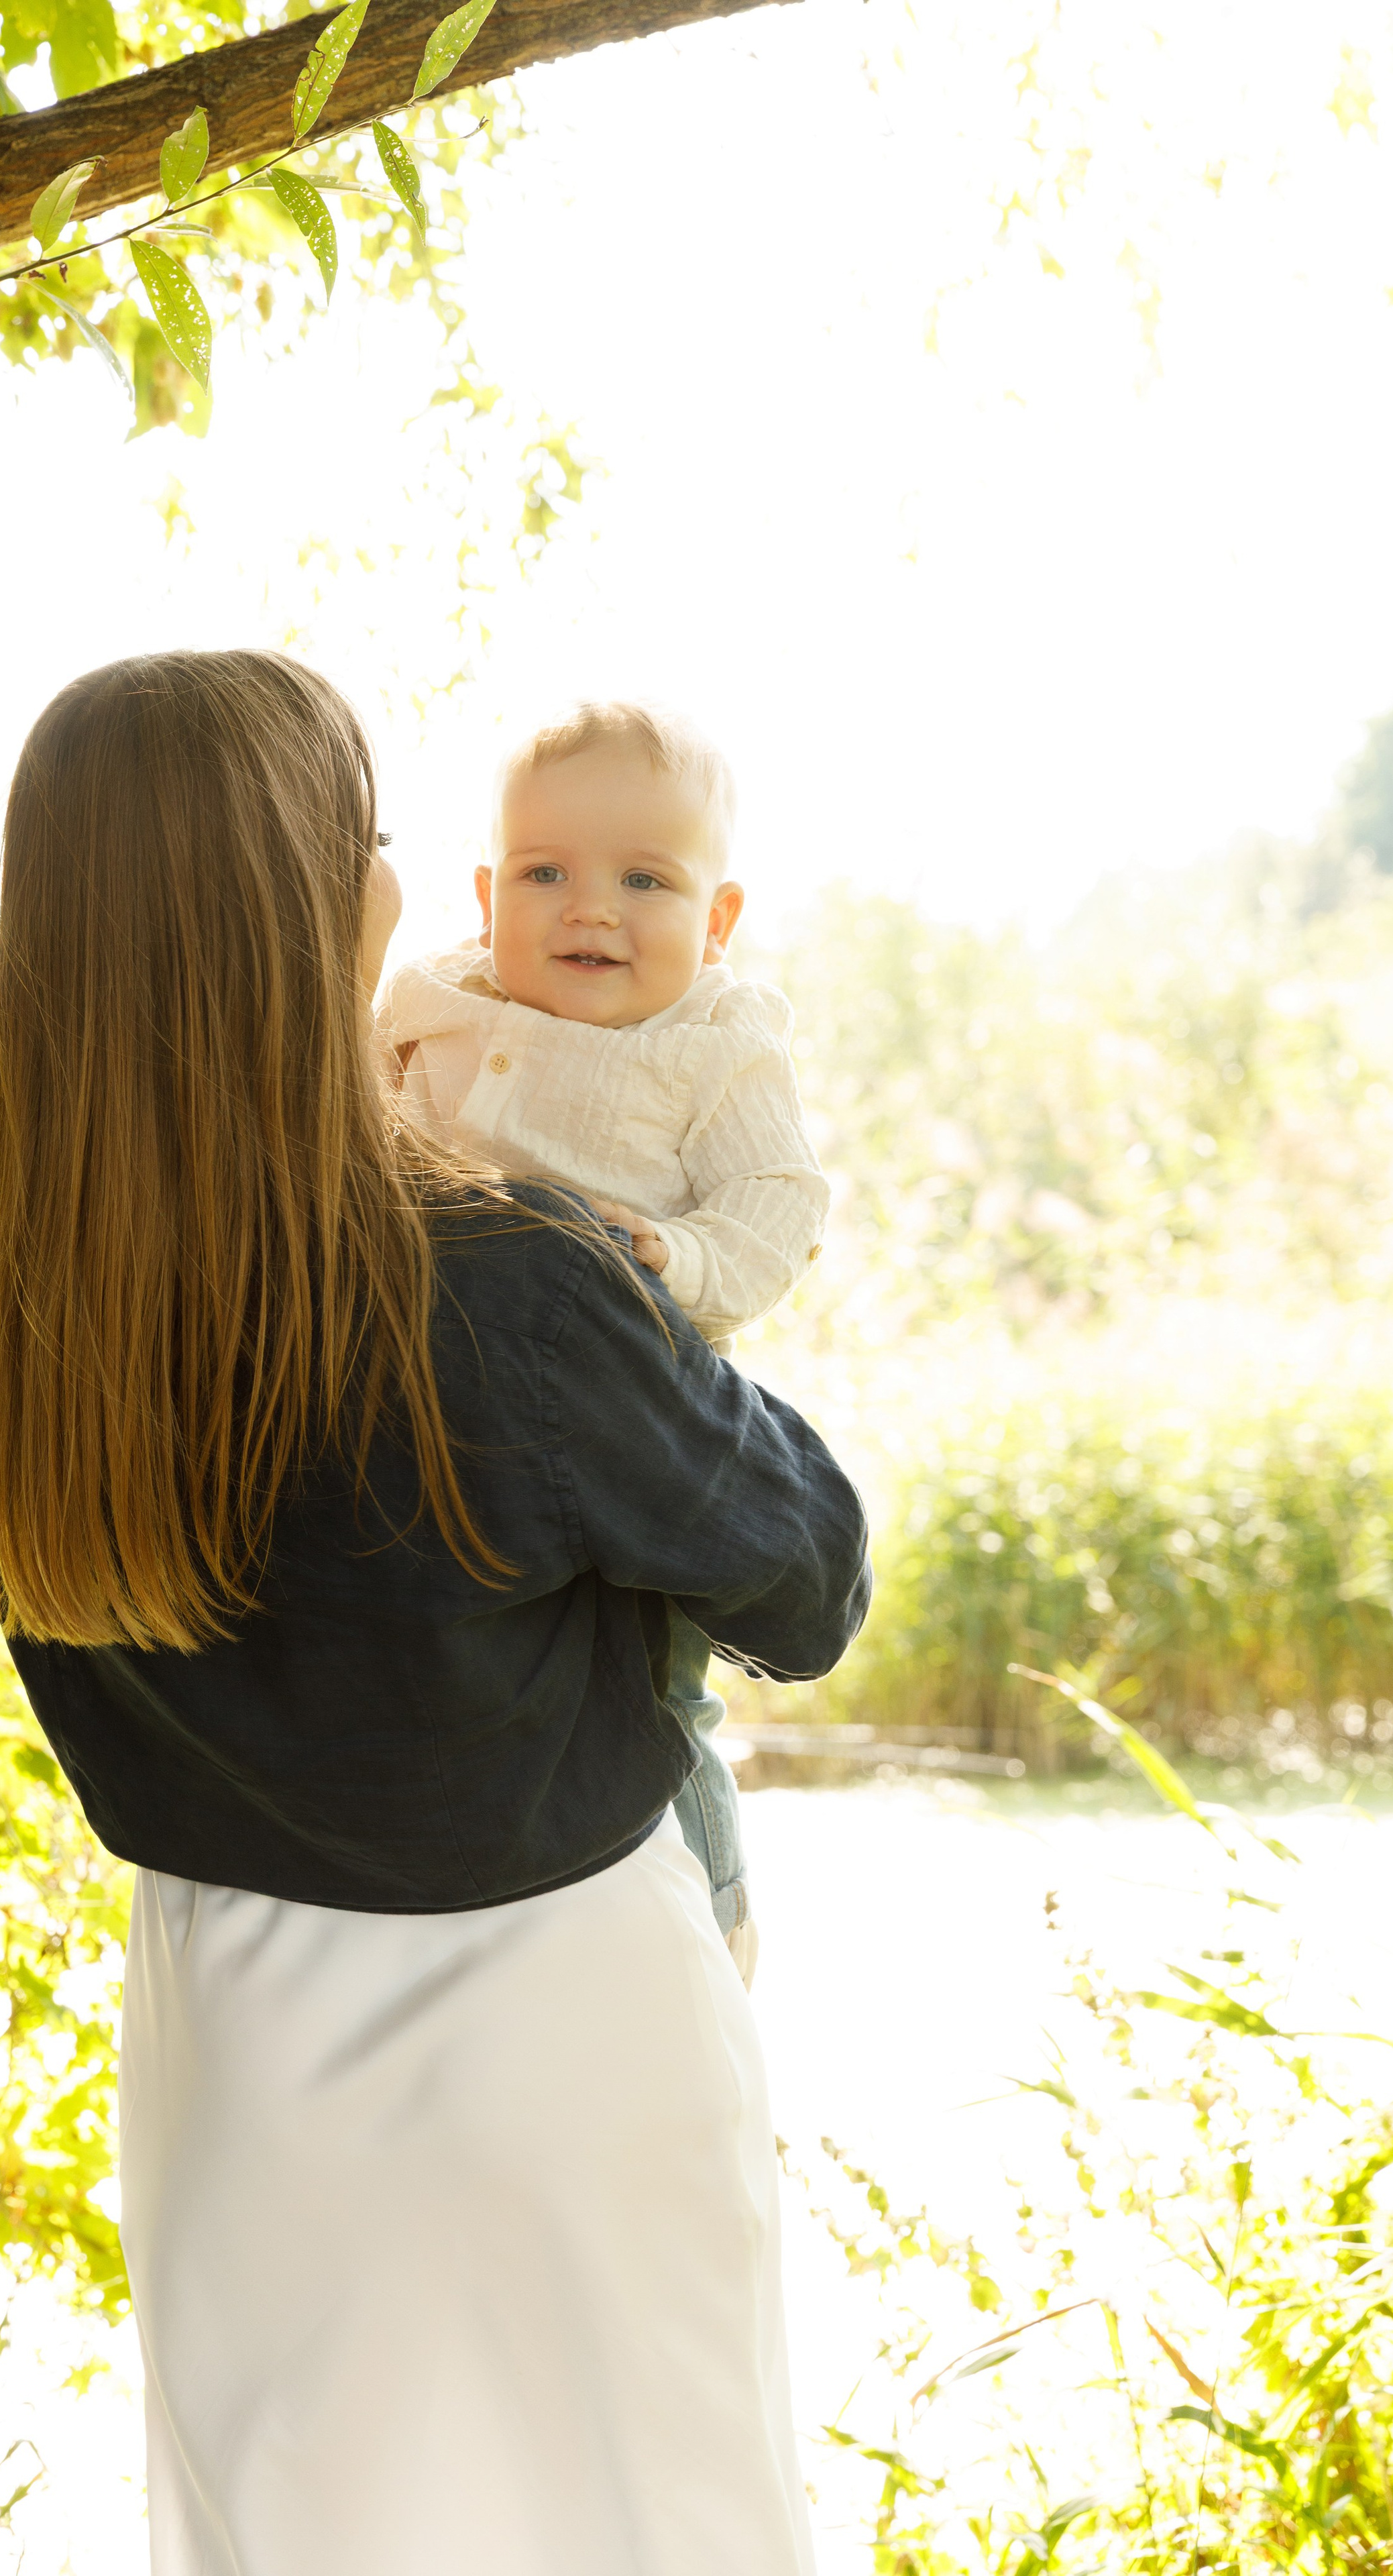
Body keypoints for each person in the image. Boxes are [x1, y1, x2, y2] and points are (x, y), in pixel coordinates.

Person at [0, 648, 871, 2576]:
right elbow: (808, 1578)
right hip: (550, 2036)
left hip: (226, 2044)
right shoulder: (499, 1274)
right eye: (366, 836)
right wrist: (644, 1292)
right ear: (296, 896)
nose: (399, 880)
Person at [381, 700, 830, 1976]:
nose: (591, 909)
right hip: (446, 1412)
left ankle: (713, 1909)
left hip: (635, 1428)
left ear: (718, 922)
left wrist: (676, 1258)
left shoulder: (712, 1045)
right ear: (485, 897)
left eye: (646, 880)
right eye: (547, 874)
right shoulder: (431, 1007)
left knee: (652, 1687)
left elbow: (779, 1206)